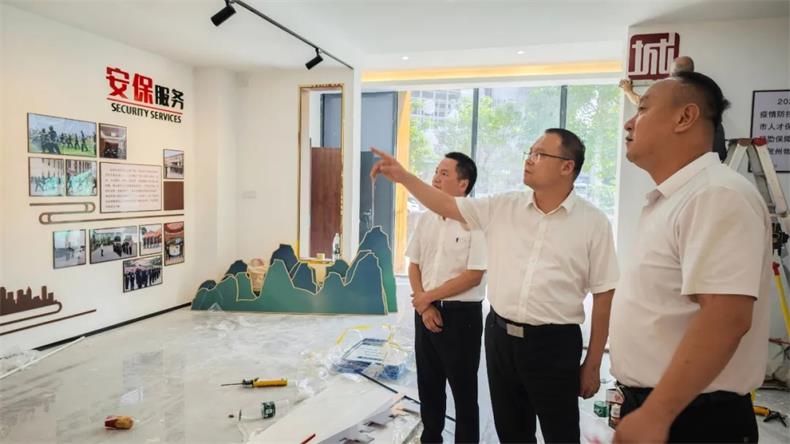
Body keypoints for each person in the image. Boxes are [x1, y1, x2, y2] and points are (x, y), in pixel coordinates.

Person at [371, 128, 619, 443]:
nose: (529, 160)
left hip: (553, 345)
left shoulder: (592, 223)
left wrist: (593, 363)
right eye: (529, 152)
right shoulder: (504, 206)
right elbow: (447, 205)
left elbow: (604, 294)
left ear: (567, 166)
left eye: (539, 154)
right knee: (511, 432)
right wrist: (404, 177)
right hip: (501, 337)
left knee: (560, 433)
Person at [610, 71, 771, 443]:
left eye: (643, 109)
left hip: (693, 418)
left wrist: (656, 413)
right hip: (666, 407)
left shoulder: (716, 194)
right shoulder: (674, 199)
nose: (629, 123)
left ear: (685, 117)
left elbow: (726, 317)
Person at [407, 152, 487, 443]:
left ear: (463, 184)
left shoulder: (476, 223)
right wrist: (425, 305)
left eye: (444, 173)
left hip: (461, 317)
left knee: (464, 391)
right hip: (425, 311)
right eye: (436, 172)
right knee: (428, 385)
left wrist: (426, 297)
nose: (435, 178)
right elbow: (414, 264)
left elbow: (474, 275)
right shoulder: (426, 219)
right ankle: (431, 438)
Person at [619, 56, 727, 162]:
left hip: (693, 154)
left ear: (673, 73)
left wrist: (628, 91)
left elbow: (641, 103)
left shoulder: (674, 90)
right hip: (714, 146)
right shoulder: (704, 89)